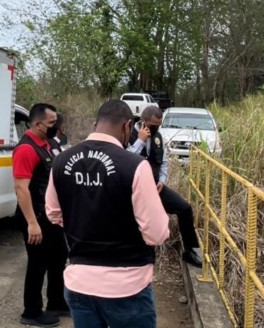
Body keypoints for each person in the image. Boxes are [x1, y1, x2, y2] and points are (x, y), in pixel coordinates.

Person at [46, 100, 170, 328]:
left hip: (79, 283)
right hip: (127, 286)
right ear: (127, 126)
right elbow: (157, 233)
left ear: (95, 124)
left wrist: (83, 224)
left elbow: (53, 213)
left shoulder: (61, 161)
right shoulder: (135, 166)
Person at [13, 103, 69, 327]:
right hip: (35, 216)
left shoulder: (46, 143)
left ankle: (56, 302)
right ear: (37, 124)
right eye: (52, 123)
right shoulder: (26, 149)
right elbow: (21, 188)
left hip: (49, 215)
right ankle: (31, 312)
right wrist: (32, 224)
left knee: (59, 256)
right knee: (38, 263)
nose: (56, 127)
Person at [128, 106, 203, 268]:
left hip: (156, 187)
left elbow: (164, 162)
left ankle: (189, 250)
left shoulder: (158, 137)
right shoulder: (129, 135)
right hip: (135, 189)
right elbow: (125, 161)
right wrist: (140, 141)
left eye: (158, 125)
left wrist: (162, 180)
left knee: (184, 208)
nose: (155, 128)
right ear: (143, 121)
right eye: (152, 125)